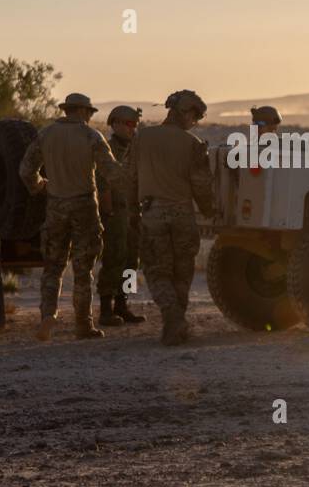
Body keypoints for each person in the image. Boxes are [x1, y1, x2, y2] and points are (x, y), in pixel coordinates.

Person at [19, 92, 121, 342]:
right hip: (84, 205)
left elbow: (25, 170)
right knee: (83, 269)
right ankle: (83, 325)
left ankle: (47, 316)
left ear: (66, 110)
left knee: (52, 267)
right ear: (84, 112)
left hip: (55, 205)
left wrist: (39, 185)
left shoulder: (46, 134)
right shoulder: (91, 136)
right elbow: (112, 173)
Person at [125, 90, 215, 345]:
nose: (194, 122)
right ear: (185, 112)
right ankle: (177, 322)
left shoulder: (142, 138)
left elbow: (129, 178)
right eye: (195, 116)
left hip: (152, 214)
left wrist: (132, 211)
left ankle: (172, 319)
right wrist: (209, 211)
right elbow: (201, 186)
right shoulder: (193, 144)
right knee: (182, 272)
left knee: (156, 272)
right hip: (183, 215)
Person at [97, 105, 145, 327]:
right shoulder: (108, 149)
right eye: (128, 124)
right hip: (115, 212)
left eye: (134, 124)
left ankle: (122, 303)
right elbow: (103, 182)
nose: (132, 129)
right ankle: (106, 309)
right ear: (115, 123)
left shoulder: (137, 149)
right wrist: (108, 212)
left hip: (133, 211)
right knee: (114, 258)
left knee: (131, 260)